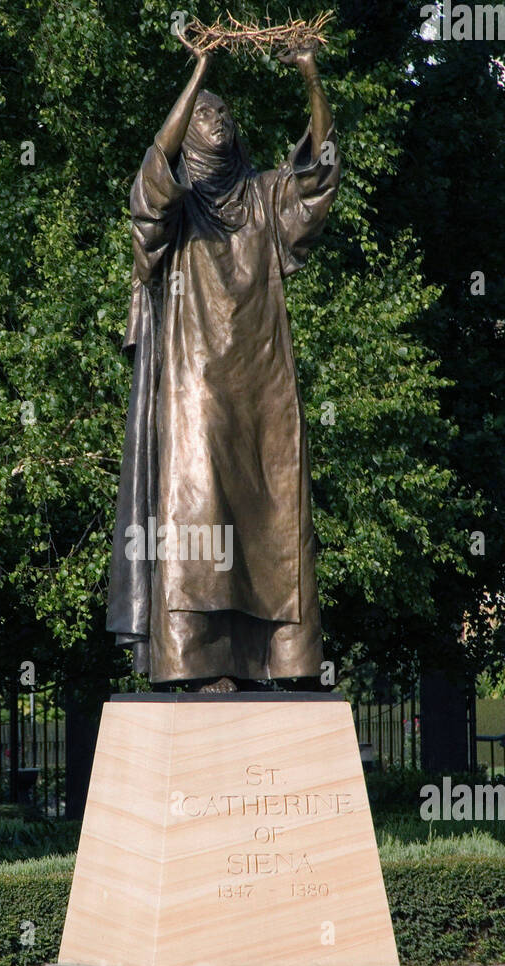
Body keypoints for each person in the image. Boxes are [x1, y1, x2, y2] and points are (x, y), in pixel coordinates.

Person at [107, 40, 341, 691]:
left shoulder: (265, 199)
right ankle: (199, 663)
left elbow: (318, 173)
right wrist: (199, 69)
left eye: (223, 110)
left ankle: (283, 659)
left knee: (274, 516)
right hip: (193, 390)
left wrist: (309, 76)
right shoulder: (173, 211)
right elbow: (155, 167)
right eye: (204, 111)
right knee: (199, 520)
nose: (218, 115)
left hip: (264, 388)